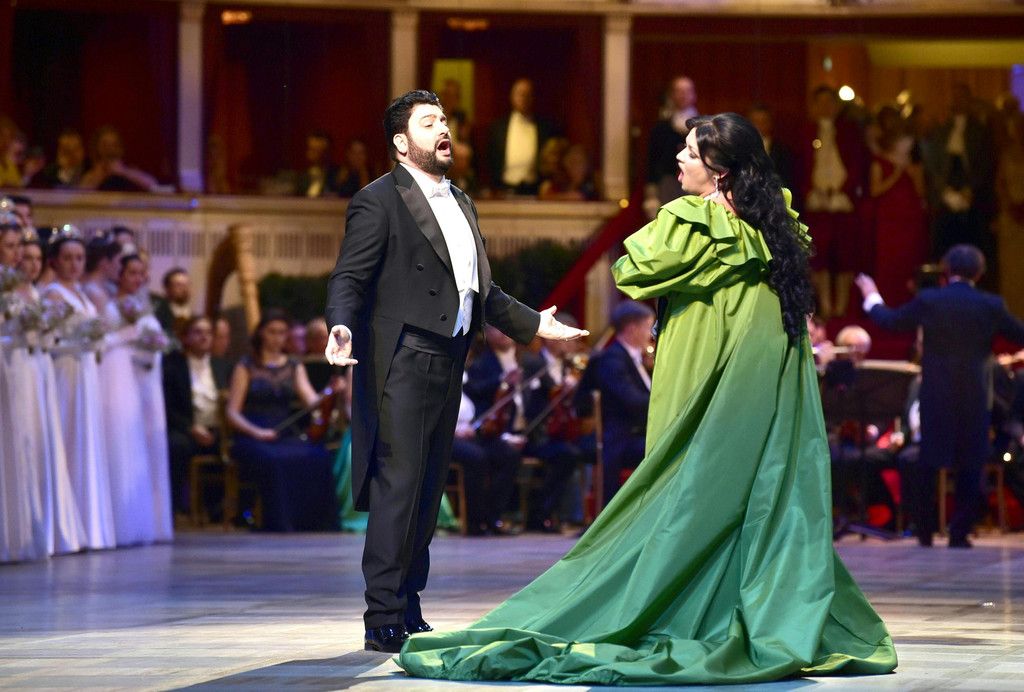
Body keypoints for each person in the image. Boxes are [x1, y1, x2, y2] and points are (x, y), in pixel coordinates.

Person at [398, 112, 897, 684]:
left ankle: (682, 604)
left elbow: (633, 270)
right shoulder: (772, 225)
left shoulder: (694, 220)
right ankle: (749, 602)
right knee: (756, 487)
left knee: (693, 488)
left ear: (720, 170)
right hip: (764, 381)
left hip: (714, 373)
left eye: (690, 152)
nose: (678, 159)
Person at [324, 90, 585, 654]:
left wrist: (536, 324)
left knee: (427, 487)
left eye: (444, 119)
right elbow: (348, 276)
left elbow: (482, 291)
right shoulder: (378, 200)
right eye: (428, 123)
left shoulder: (462, 201)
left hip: (449, 357)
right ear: (401, 142)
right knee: (399, 484)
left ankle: (408, 603)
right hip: (403, 358)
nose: (443, 128)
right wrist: (340, 325)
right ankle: (382, 614)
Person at [857, 244, 1024, 547]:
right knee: (971, 464)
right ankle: (959, 533)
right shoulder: (991, 304)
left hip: (937, 395)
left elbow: (890, 321)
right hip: (974, 397)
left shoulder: (930, 300)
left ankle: (924, 531)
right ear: (979, 272)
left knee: (928, 462)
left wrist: (871, 295)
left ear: (947, 271)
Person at [227, 311, 337, 532]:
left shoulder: (294, 366)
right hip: (252, 432)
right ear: (261, 333)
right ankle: (279, 522)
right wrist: (256, 432)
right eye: (272, 332)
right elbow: (232, 412)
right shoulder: (246, 365)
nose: (277, 337)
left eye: (282, 332)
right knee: (273, 459)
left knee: (319, 456)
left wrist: (330, 392)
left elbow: (312, 402)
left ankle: (312, 523)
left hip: (283, 431)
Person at [42, 228, 116, 550]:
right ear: (55, 262)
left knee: (85, 438)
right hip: (66, 371)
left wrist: (96, 341)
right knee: (69, 437)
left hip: (85, 371)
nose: (74, 264)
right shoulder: (53, 294)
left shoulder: (83, 295)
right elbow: (50, 340)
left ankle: (88, 524)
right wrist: (81, 341)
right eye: (68, 258)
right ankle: (66, 525)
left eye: (79, 258)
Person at [100, 254, 157, 546]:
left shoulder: (144, 306)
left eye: (141, 273)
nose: (137, 279)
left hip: (140, 379)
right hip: (116, 375)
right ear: (119, 274)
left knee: (137, 443)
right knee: (119, 439)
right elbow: (102, 339)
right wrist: (125, 337)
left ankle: (138, 519)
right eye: (131, 272)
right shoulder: (108, 304)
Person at [798, 85, 868, 319]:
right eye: (821, 102)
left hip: (843, 202)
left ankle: (842, 307)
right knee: (819, 256)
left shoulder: (849, 131)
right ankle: (826, 305)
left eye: (830, 102)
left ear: (836, 106)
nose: (826, 107)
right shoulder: (807, 131)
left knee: (845, 255)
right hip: (816, 203)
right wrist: (811, 191)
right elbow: (802, 166)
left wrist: (844, 190)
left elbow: (857, 164)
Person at [163, 316, 232, 516]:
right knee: (177, 446)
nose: (204, 337)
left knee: (237, 447)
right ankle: (176, 507)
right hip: (187, 429)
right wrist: (191, 427)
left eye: (208, 333)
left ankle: (221, 509)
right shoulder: (173, 367)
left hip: (218, 429)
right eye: (198, 332)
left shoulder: (223, 366)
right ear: (185, 337)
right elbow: (169, 407)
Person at [588, 300, 654, 504]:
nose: (650, 335)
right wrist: (665, 401)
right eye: (647, 328)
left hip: (636, 434)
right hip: (621, 440)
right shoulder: (613, 359)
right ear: (632, 328)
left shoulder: (635, 358)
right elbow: (632, 400)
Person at [869, 105, 927, 306]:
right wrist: (895, 174)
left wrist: (911, 173)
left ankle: (909, 301)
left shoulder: (915, 164)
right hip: (889, 217)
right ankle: (887, 301)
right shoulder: (879, 161)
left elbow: (921, 191)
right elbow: (875, 190)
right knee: (889, 257)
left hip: (910, 216)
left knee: (909, 257)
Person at [485, 79, 558, 196]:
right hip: (504, 190)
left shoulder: (545, 127)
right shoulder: (498, 127)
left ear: (533, 98)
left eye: (527, 94)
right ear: (512, 97)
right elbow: (490, 159)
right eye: (520, 94)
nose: (523, 98)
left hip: (535, 190)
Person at [645, 75, 699, 215]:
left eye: (687, 91)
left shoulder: (703, 126)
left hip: (696, 180)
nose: (683, 95)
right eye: (679, 91)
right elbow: (653, 160)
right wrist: (651, 192)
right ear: (672, 95)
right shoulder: (661, 128)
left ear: (693, 95)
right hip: (669, 183)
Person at [80, 126, 159, 192]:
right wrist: (100, 176)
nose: (110, 149)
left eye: (114, 145)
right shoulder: (90, 176)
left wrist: (122, 172)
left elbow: (153, 185)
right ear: (97, 148)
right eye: (105, 145)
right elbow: (82, 195)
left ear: (120, 148)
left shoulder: (130, 172)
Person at [295, 130, 340, 198]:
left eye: (319, 150)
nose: (315, 155)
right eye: (312, 150)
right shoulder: (301, 177)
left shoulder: (338, 176)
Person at [155, 268, 192, 336]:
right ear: (167, 288)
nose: (185, 289)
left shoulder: (192, 315)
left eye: (187, 284)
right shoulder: (157, 312)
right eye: (179, 285)